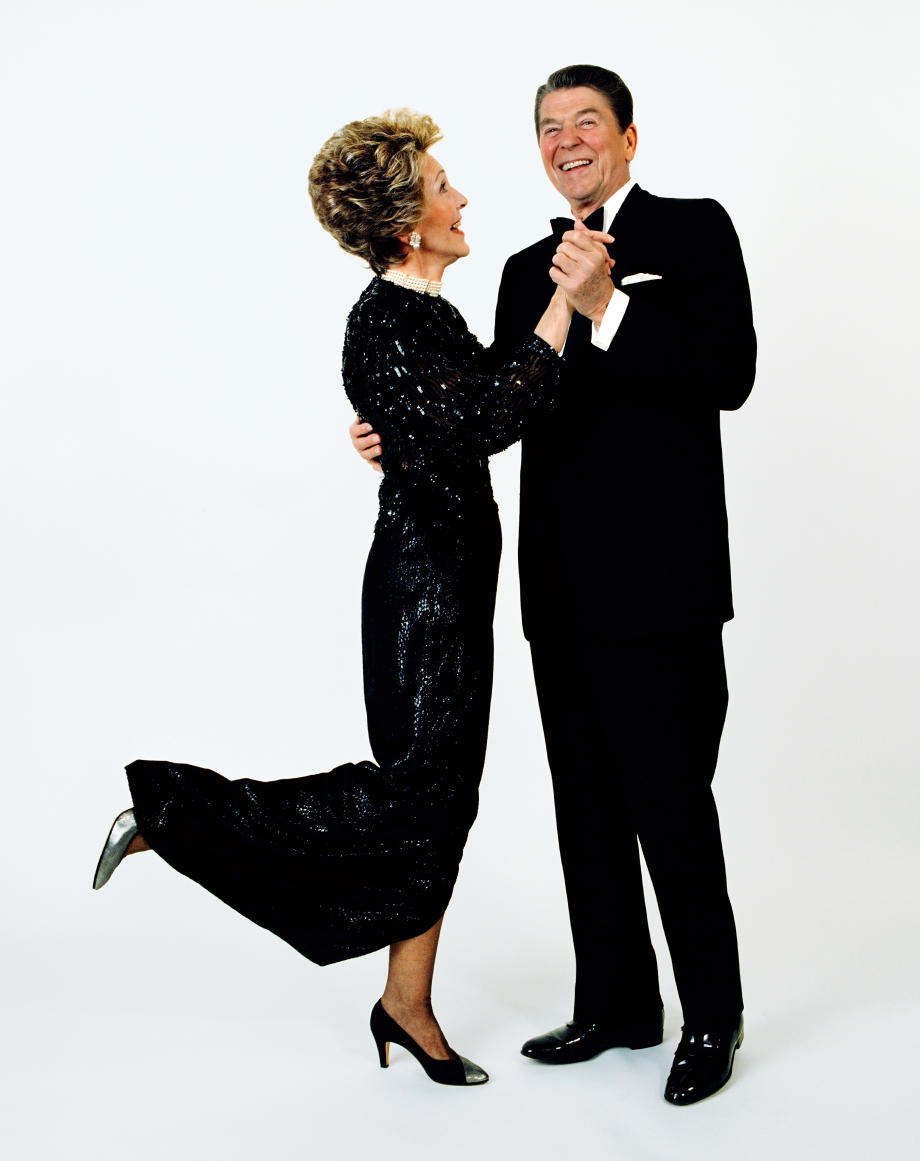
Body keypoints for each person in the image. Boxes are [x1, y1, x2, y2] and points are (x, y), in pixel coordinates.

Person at [91, 109, 585, 1088]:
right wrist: (566, 303)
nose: (463, 198)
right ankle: (171, 812)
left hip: (447, 582)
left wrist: (392, 436)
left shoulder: (421, 315)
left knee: (439, 804)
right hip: (427, 595)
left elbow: (450, 407)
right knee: (412, 795)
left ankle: (407, 1006)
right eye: (445, 187)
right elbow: (491, 414)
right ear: (410, 223)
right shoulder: (392, 318)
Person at [350, 65, 756, 1105]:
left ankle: (712, 1018)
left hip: (663, 582)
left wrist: (607, 305)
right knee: (585, 806)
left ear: (627, 136)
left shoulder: (693, 231)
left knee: (669, 801)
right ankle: (617, 1004)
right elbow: (488, 404)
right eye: (548, 128)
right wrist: (402, 432)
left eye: (586, 122)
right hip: (556, 583)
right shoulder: (524, 260)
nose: (566, 140)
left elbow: (730, 375)